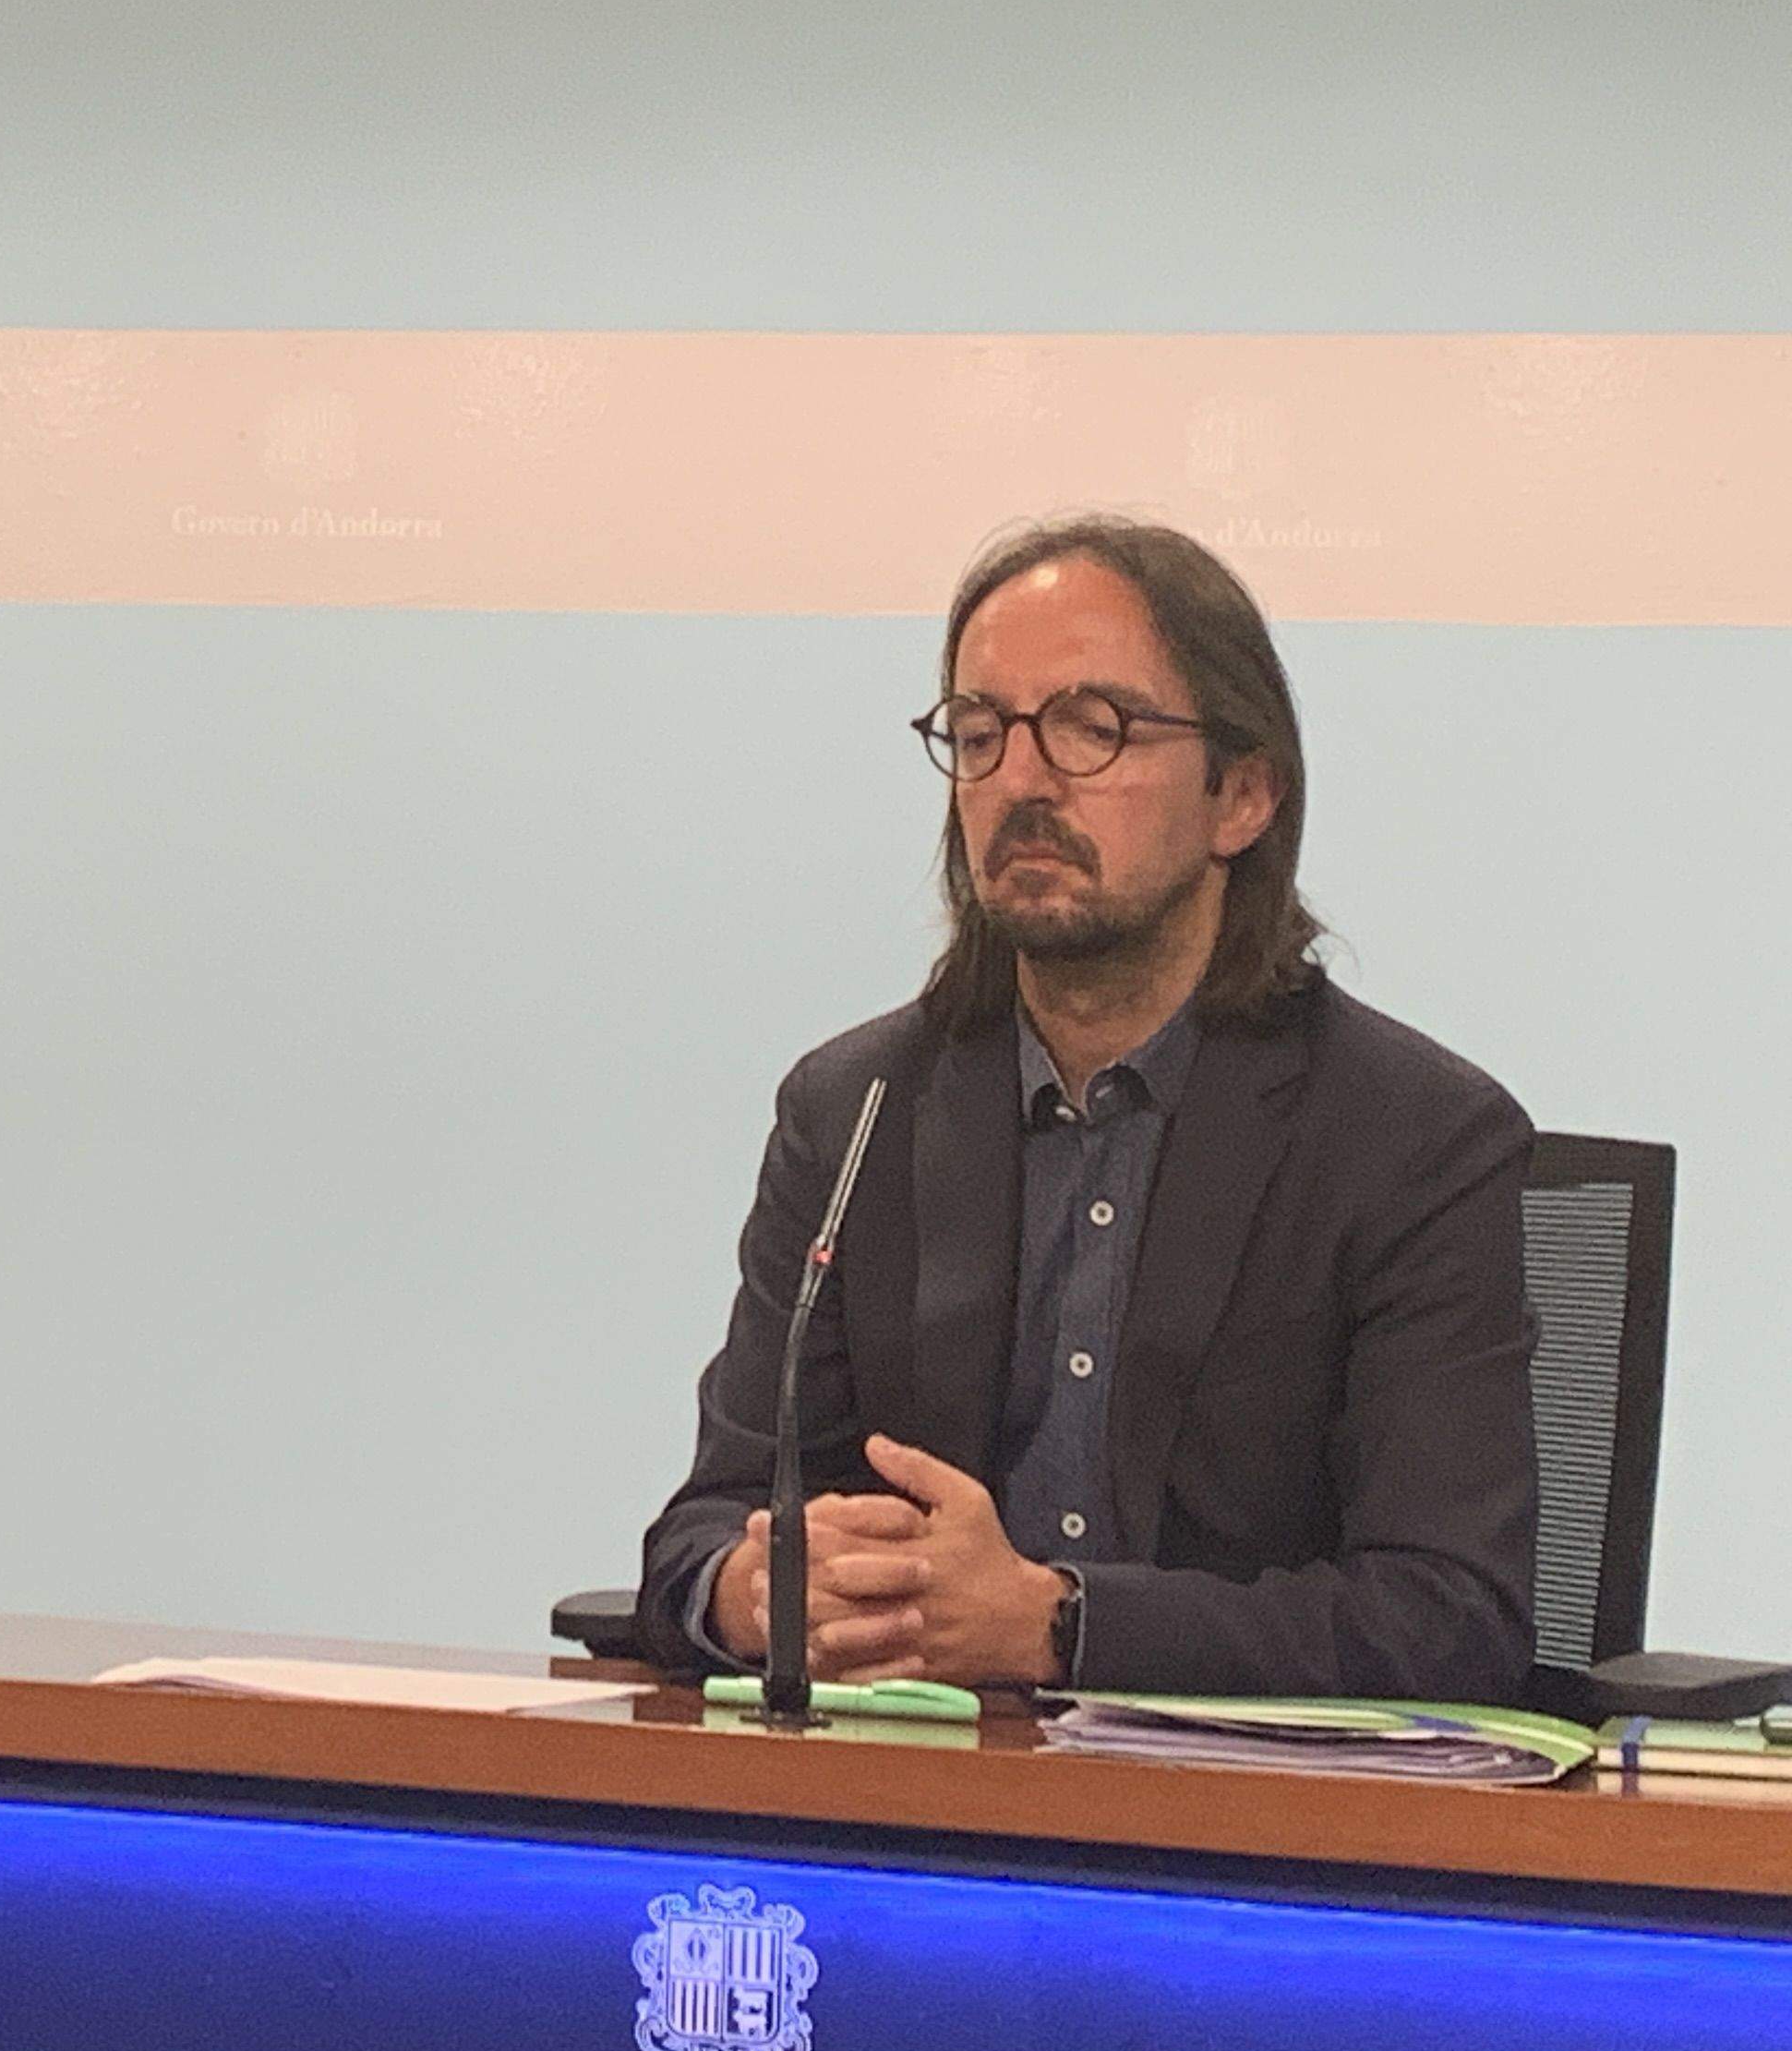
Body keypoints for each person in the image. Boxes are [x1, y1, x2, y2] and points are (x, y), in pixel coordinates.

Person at [636, 516, 1534, 1700]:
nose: (1020, 781)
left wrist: (1061, 1627)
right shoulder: (855, 1110)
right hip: (916, 1783)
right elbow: (708, 1525)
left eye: (1090, 728)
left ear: (1242, 795)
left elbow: (1449, 1616)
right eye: (980, 734)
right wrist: (754, 1593)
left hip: (1232, 1800)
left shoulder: (1415, 1141)